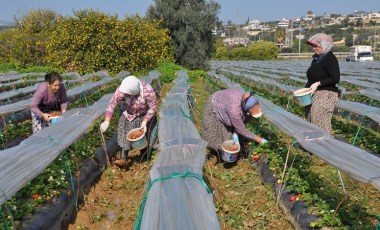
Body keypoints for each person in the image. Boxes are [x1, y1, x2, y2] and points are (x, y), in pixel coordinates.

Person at [100, 75, 158, 167]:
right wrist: (107, 121)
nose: (126, 95)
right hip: (127, 113)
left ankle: (144, 155)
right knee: (124, 133)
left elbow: (153, 108)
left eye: (129, 94)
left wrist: (145, 121)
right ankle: (123, 158)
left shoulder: (148, 91)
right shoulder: (121, 90)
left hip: (143, 114)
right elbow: (111, 105)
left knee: (142, 136)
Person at [202, 89, 268, 164]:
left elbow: (244, 120)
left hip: (226, 105)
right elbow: (242, 129)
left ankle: (223, 153)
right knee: (212, 134)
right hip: (216, 104)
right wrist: (259, 139)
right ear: (246, 109)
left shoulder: (249, 101)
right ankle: (213, 154)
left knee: (226, 134)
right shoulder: (234, 110)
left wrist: (235, 132)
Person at [305, 33, 340, 136]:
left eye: (316, 46)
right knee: (310, 118)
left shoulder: (330, 59)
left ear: (324, 46)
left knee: (320, 120)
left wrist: (318, 83)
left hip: (326, 94)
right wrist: (305, 91)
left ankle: (328, 146)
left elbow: (335, 78)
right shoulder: (316, 59)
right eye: (313, 46)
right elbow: (312, 78)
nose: (313, 48)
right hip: (315, 94)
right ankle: (314, 147)